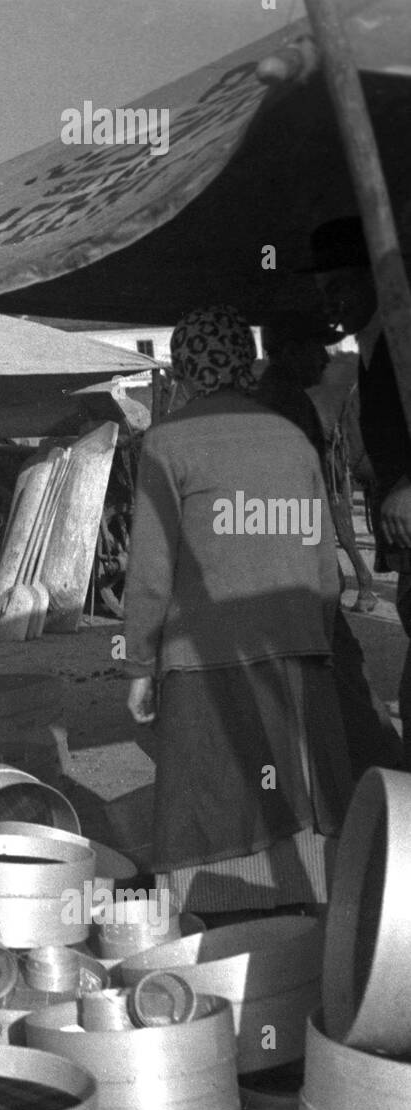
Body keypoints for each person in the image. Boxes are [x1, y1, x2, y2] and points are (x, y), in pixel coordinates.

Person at [123, 306, 353, 920]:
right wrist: (320, 632)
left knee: (212, 793)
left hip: (206, 651)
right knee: (298, 786)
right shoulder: (290, 436)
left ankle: (219, 916)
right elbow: (321, 550)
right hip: (297, 640)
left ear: (180, 367)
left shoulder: (167, 442)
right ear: (244, 361)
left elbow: (150, 570)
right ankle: (301, 909)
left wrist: (140, 663)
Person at [256, 327, 401, 775]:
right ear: (286, 348)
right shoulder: (283, 405)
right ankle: (385, 779)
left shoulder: (285, 397)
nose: (323, 358)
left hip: (293, 566)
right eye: (313, 346)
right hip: (297, 570)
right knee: (341, 678)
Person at [308, 216, 411, 763]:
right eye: (323, 292)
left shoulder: (403, 342)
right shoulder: (370, 353)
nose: (331, 304)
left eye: (340, 288)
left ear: (377, 278)